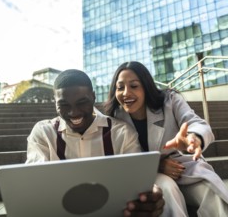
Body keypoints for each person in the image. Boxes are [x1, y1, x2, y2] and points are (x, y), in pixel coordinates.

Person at [104, 61, 228, 217]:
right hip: (149, 176)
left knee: (210, 192)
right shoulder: (114, 118)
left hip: (183, 167)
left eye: (134, 86)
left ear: (146, 87)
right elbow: (124, 163)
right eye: (120, 87)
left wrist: (193, 138)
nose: (126, 93)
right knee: (167, 190)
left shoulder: (170, 100)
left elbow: (195, 123)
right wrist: (157, 165)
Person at [26, 69, 165, 217]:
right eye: (64, 105)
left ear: (93, 96)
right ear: (55, 102)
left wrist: (147, 197)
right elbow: (36, 182)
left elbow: (136, 180)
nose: (74, 112)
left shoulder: (122, 133)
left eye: (82, 102)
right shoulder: (43, 133)